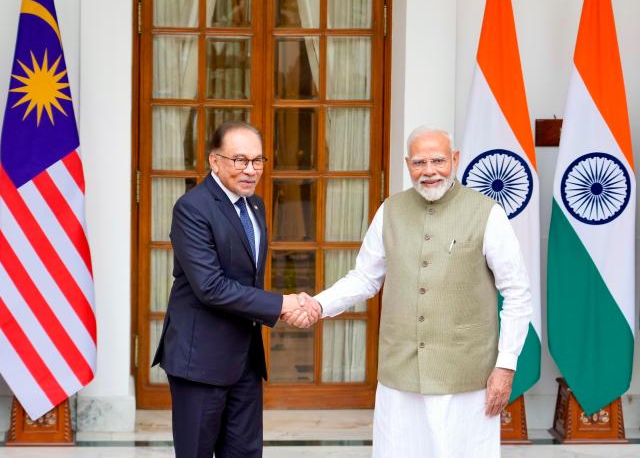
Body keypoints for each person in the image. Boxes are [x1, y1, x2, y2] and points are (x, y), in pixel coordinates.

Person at [286, 126, 532, 458]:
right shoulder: (390, 210)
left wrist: (505, 366)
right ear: (407, 164)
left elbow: (517, 292)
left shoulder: (487, 213)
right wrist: (317, 304)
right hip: (399, 375)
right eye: (419, 162)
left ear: (455, 160)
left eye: (438, 161)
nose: (429, 171)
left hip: (465, 378)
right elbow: (364, 278)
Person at [152, 121, 321, 458]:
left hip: (244, 360)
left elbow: (247, 278)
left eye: (257, 161)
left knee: (245, 453)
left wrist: (285, 305)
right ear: (215, 161)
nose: (250, 170)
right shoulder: (192, 208)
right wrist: (283, 304)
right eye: (239, 160)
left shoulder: (254, 206)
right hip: (199, 361)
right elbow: (210, 286)